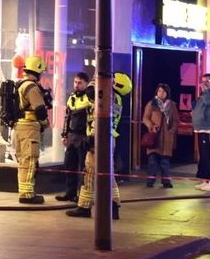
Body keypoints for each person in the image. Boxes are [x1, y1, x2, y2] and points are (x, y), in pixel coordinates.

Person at [66, 72, 128, 219]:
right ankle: (113, 206)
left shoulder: (106, 97)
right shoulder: (116, 99)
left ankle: (84, 207)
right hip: (107, 138)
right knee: (108, 175)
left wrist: (92, 137)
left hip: (98, 139)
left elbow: (98, 116)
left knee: (89, 173)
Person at [13, 56, 50, 204]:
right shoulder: (31, 87)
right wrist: (45, 123)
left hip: (19, 126)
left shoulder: (19, 84)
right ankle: (27, 194)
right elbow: (40, 110)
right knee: (30, 159)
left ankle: (24, 190)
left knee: (23, 160)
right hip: (29, 126)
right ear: (38, 70)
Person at [55, 72, 92, 203]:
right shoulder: (71, 98)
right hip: (72, 136)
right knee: (69, 165)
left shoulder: (89, 98)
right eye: (75, 82)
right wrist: (64, 135)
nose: (76, 85)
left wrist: (90, 137)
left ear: (86, 84)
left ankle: (81, 195)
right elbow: (67, 117)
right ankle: (70, 193)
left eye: (80, 83)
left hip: (83, 137)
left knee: (83, 168)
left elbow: (92, 119)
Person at [142, 83, 179, 188]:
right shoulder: (152, 104)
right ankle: (150, 181)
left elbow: (176, 120)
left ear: (167, 93)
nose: (161, 93)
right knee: (152, 161)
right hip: (154, 135)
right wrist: (151, 126)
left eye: (163, 91)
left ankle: (166, 182)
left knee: (165, 161)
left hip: (167, 137)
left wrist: (172, 130)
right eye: (159, 91)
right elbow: (145, 118)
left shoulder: (172, 105)